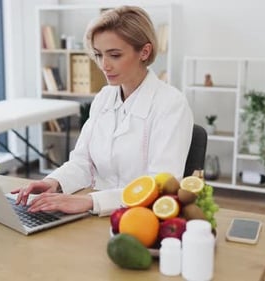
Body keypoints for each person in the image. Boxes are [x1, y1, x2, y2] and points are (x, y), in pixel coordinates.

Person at [12, 5, 193, 216]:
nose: (103, 65)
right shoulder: (104, 98)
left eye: (114, 55)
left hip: (142, 219)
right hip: (96, 214)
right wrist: (54, 181)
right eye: (98, 55)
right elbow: (82, 163)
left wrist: (90, 201)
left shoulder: (171, 105)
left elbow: (161, 186)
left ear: (145, 51)